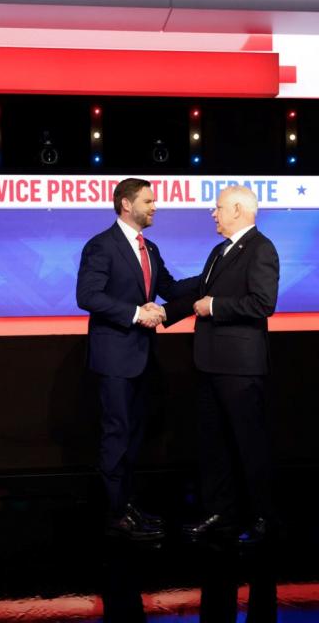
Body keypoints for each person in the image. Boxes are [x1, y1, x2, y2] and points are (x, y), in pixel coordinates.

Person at [76, 177, 198, 540]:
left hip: (142, 359)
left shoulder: (151, 249)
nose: (155, 206)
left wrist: (212, 276)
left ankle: (127, 506)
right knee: (116, 435)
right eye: (148, 201)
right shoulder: (101, 246)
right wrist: (135, 313)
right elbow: (87, 296)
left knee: (133, 437)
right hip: (114, 359)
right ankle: (114, 514)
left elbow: (171, 290)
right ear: (126, 204)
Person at [164, 185, 280, 545]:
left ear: (237, 210)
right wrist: (162, 308)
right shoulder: (220, 250)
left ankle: (263, 519)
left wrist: (214, 307)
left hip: (241, 368)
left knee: (248, 444)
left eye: (217, 209)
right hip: (210, 364)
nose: (213, 214)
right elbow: (199, 290)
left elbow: (262, 304)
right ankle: (220, 514)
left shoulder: (261, 249)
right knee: (212, 444)